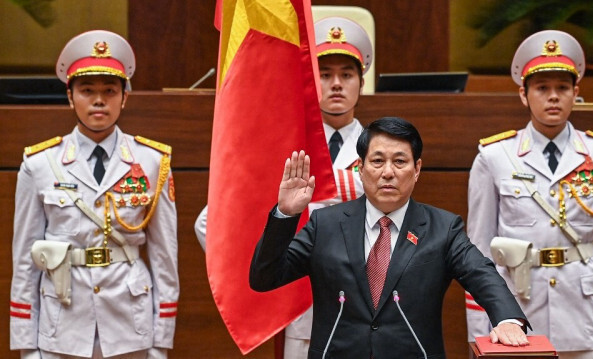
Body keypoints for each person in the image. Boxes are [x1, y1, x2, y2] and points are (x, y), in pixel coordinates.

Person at [250, 117, 530, 358]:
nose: (387, 173)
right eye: (377, 161)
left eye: (399, 162)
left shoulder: (442, 228)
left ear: (417, 169)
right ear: (360, 168)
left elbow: (481, 273)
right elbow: (265, 278)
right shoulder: (326, 224)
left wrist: (507, 319)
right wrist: (285, 215)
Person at [194, 17, 371, 358]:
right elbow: (210, 224)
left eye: (346, 75)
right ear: (309, 81)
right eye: (324, 74)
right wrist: (270, 267)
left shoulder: (381, 150)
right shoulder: (283, 148)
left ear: (362, 83)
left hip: (366, 308)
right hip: (302, 311)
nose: (336, 84)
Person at [9, 30, 179, 359]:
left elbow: (164, 258)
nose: (99, 100)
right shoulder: (40, 164)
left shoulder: (152, 162)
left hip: (131, 326)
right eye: (87, 91)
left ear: (124, 97)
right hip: (62, 324)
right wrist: (26, 345)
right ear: (70, 97)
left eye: (109, 91)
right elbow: (24, 262)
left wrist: (161, 341)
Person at [465, 30, 593, 359]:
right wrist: (479, 334)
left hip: (585, 318)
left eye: (562, 88)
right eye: (542, 88)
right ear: (524, 95)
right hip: (515, 319)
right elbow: (479, 255)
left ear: (576, 93)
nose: (553, 97)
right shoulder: (495, 157)